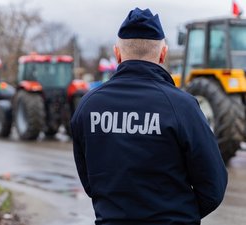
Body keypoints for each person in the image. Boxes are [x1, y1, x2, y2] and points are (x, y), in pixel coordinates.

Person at [71, 7, 227, 225]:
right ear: (163, 54)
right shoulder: (183, 107)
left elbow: (90, 183)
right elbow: (213, 187)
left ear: (117, 54)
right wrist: (177, 214)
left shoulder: (87, 106)